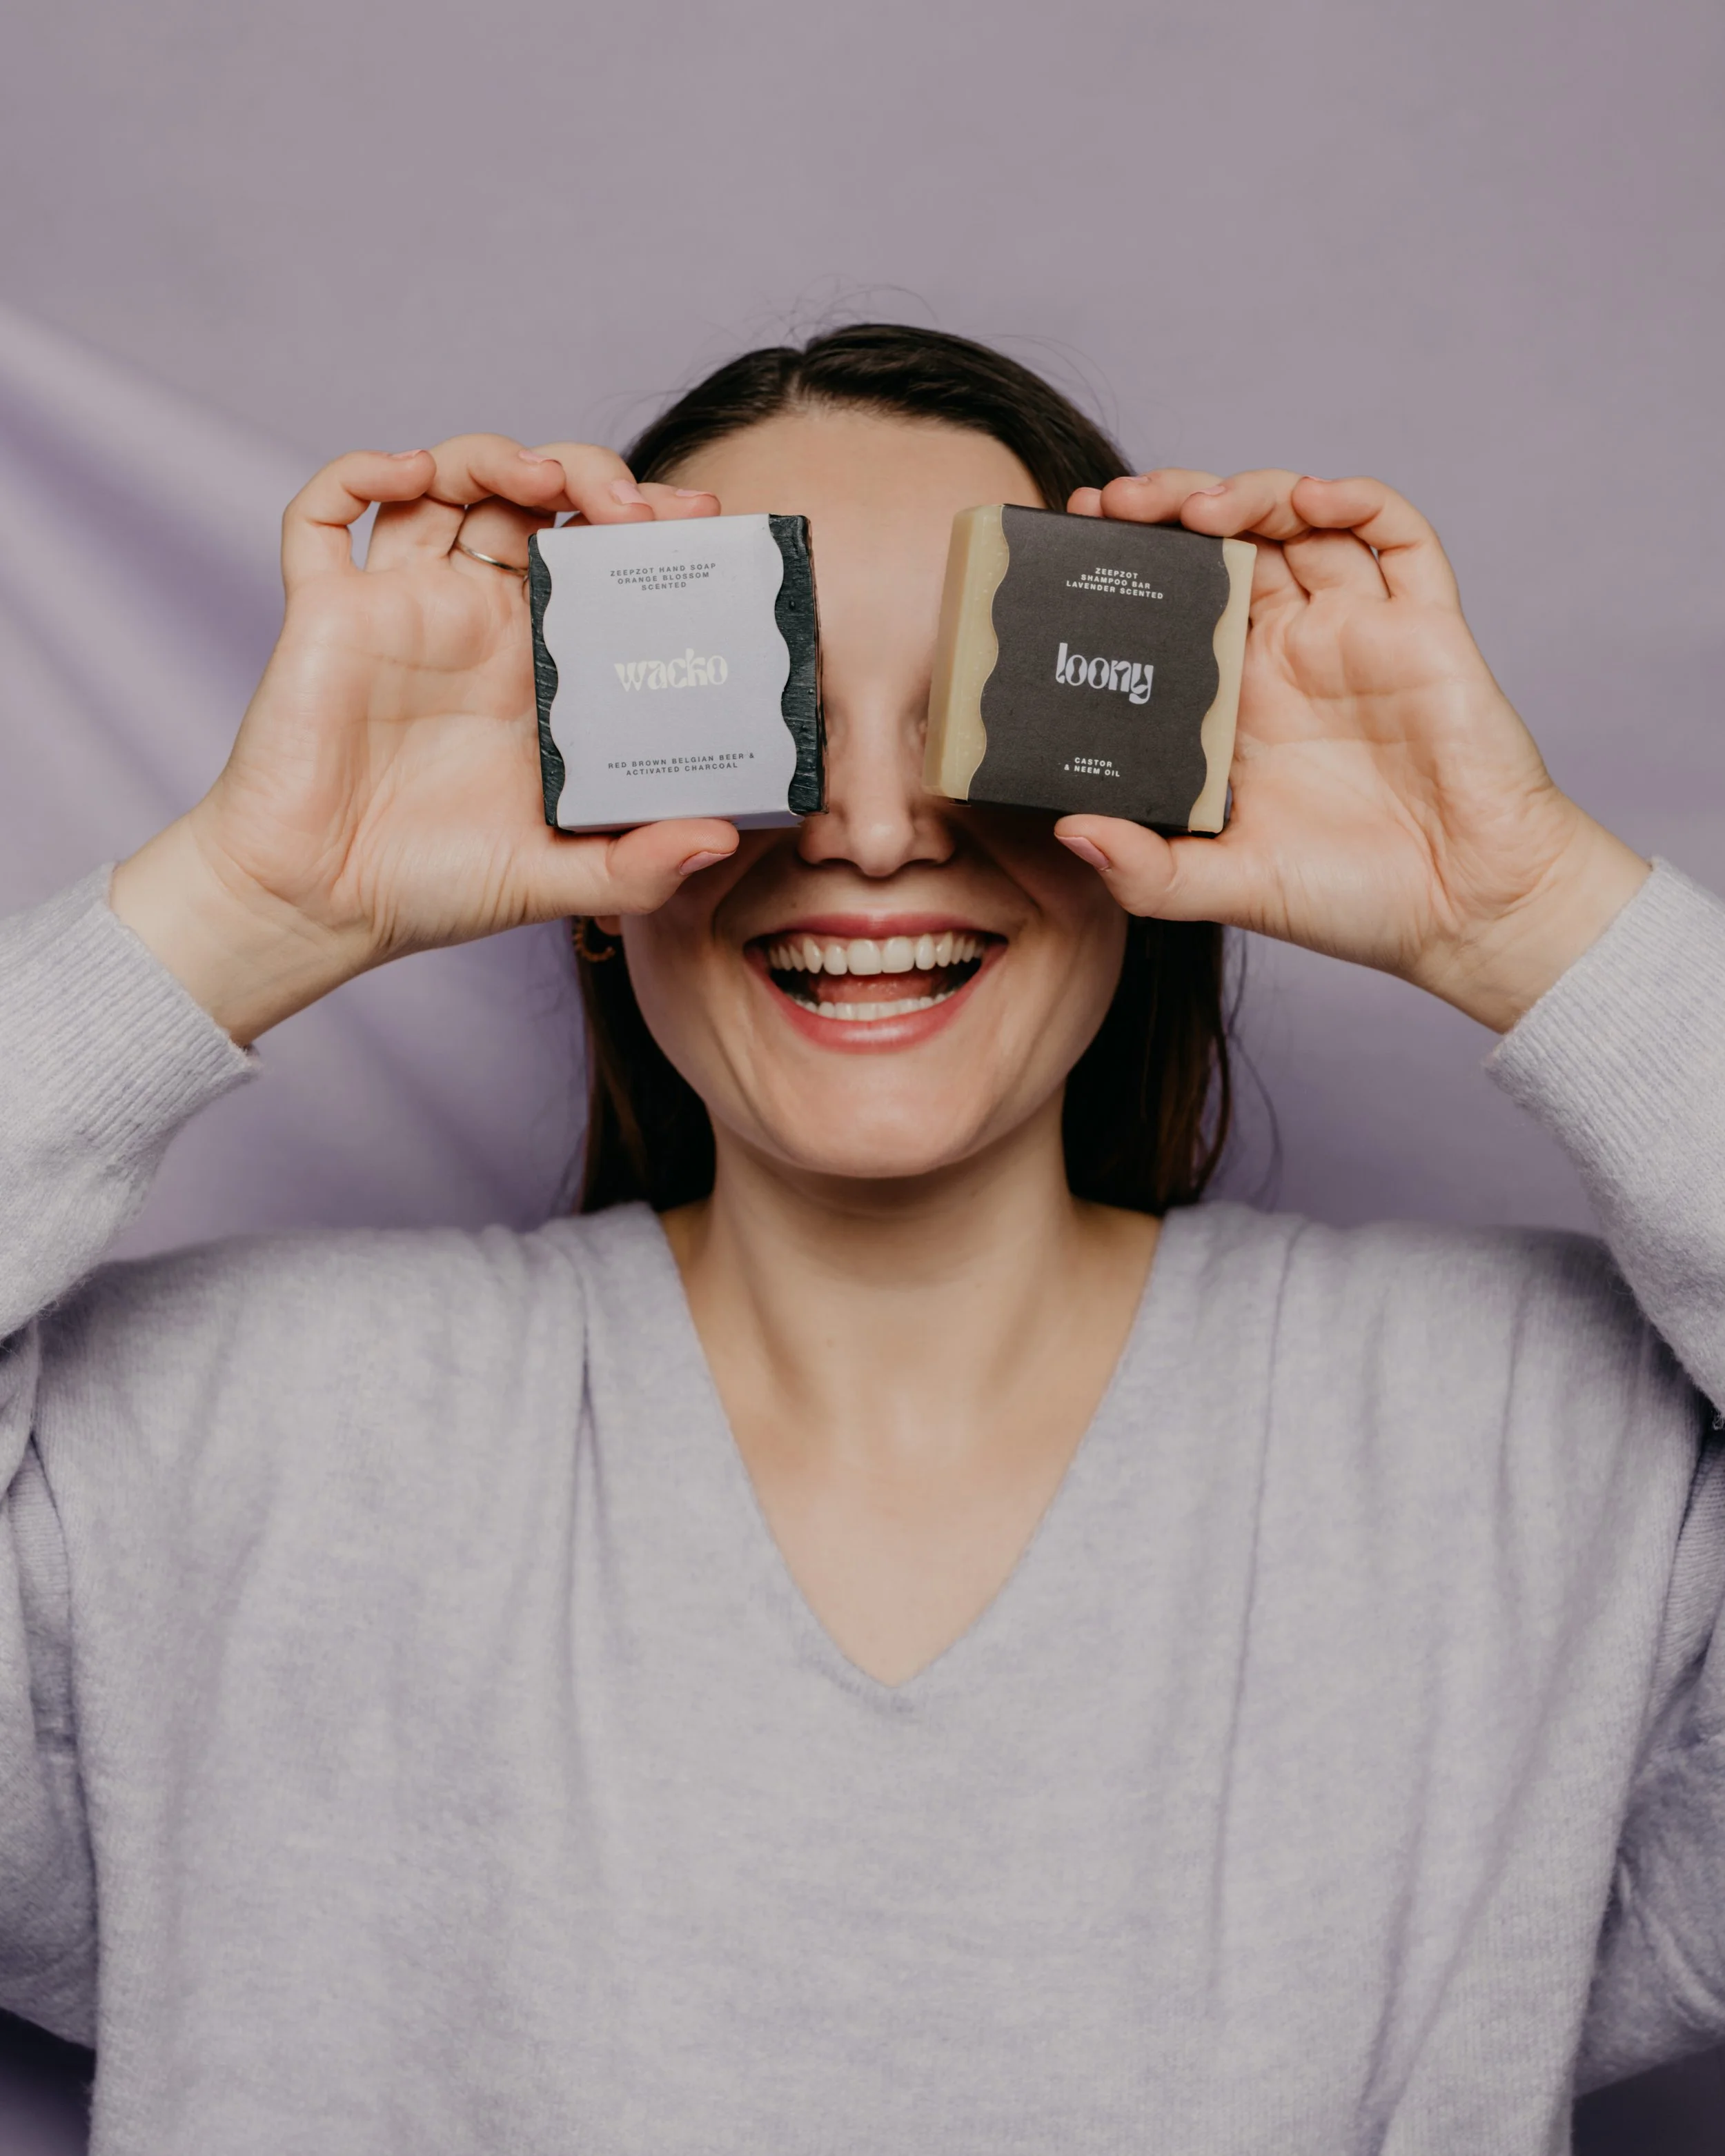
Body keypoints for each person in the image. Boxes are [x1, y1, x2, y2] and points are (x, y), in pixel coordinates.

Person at [1, 322, 1721, 2155]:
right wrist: (257, 899)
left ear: (1147, 785)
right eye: (771, 718)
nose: (879, 831)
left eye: (975, 714)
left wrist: (1513, 906)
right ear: (584, 814)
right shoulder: (210, 1447)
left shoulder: (1542, 1453)